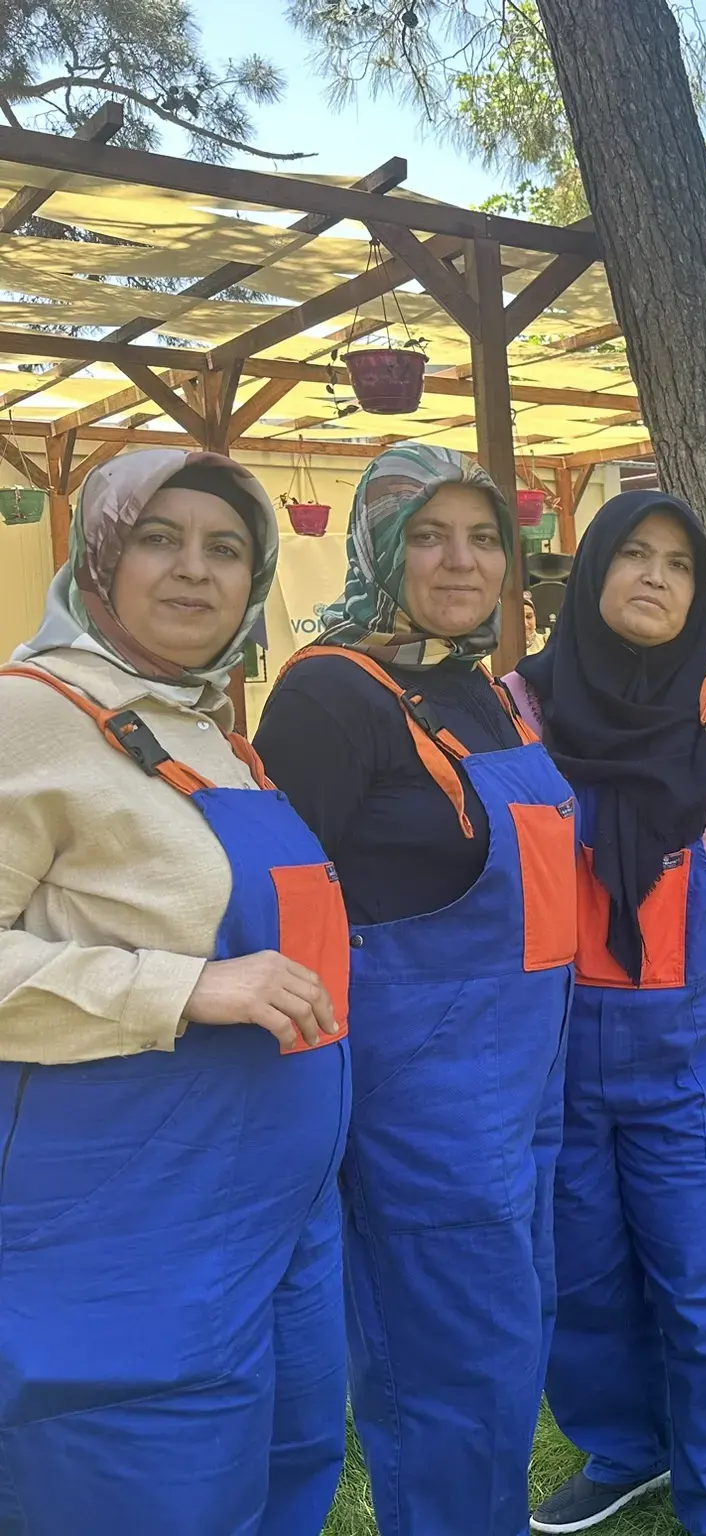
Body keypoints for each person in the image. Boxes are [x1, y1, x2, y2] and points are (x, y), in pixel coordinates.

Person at [0, 450, 348, 1535]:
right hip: (127, 1234)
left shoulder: (211, 731)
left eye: (226, 548)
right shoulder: (32, 712)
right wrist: (181, 985)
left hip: (277, 1220)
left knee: (281, 1474)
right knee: (141, 1495)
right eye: (160, 538)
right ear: (99, 553)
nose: (195, 571)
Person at [257, 443, 577, 1534]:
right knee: (446, 1372)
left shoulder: (483, 690)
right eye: (429, 534)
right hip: (420, 1103)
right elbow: (280, 913)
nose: (462, 560)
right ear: (377, 544)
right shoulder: (329, 698)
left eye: (484, 536)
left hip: (529, 1084)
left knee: (507, 1348)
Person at [508, 493, 706, 1536]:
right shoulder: (517, 707)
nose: (655, 577)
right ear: (586, 573)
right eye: (632, 553)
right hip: (552, 1056)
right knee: (579, 1278)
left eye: (679, 562)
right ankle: (625, 1449)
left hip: (694, 1061)